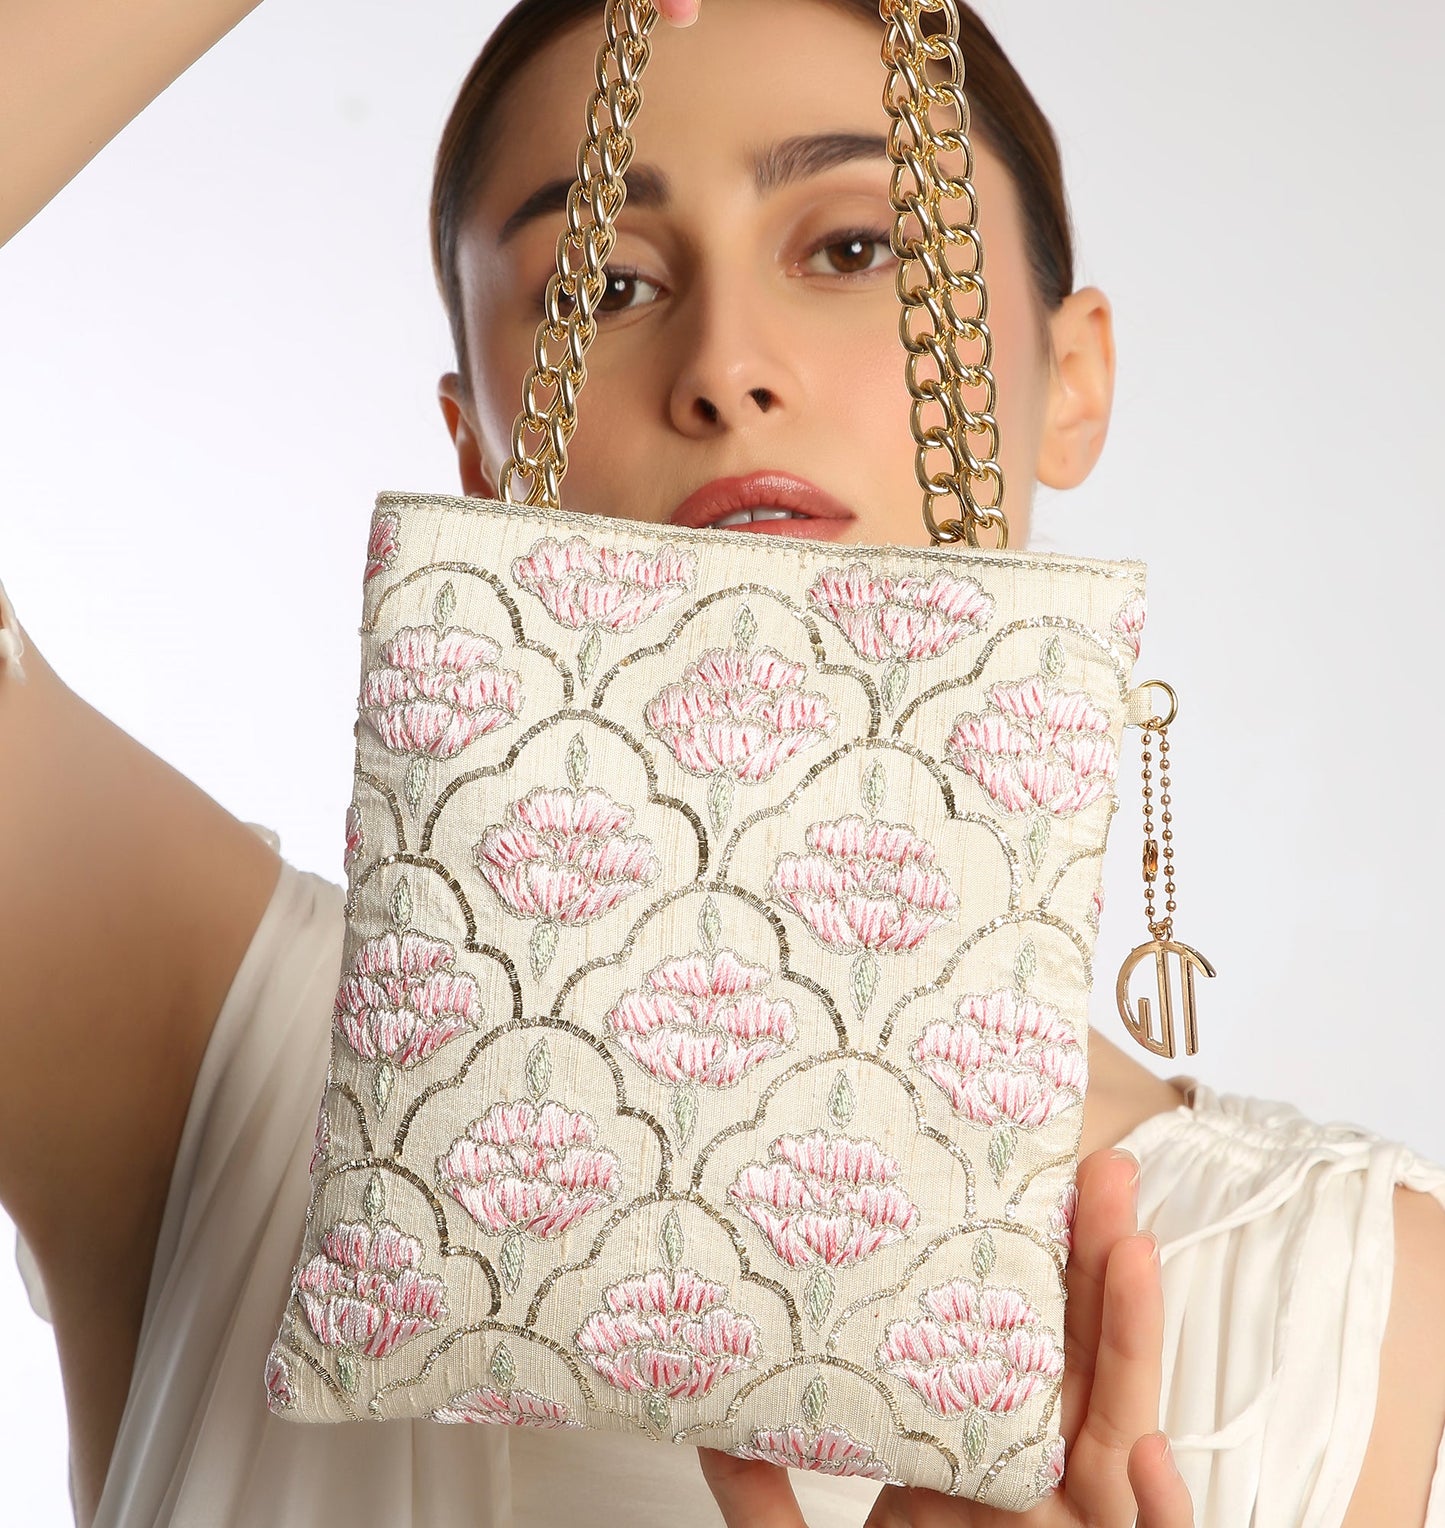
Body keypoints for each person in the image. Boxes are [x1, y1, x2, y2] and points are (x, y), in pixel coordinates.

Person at [1, 1, 1443, 1526]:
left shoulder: (1325, 1289)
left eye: (851, 249)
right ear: (483, 453)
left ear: (1068, 377)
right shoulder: (197, 1044)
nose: (725, 366)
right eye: (601, 283)